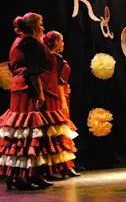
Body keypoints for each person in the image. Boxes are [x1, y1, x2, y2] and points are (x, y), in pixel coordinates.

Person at [0, 13, 52, 190]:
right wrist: (40, 94)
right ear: (35, 27)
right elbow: (33, 70)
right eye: (41, 24)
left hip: (18, 87)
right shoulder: (30, 42)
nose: (43, 28)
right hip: (27, 88)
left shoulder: (18, 41)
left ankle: (26, 175)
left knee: (19, 132)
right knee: (28, 132)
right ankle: (24, 176)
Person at [42, 31, 80, 178]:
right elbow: (57, 81)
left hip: (63, 94)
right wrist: (62, 101)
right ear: (55, 42)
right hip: (57, 96)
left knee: (63, 131)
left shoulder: (58, 58)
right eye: (61, 40)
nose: (63, 43)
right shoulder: (53, 59)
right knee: (58, 130)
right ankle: (56, 167)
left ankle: (65, 165)